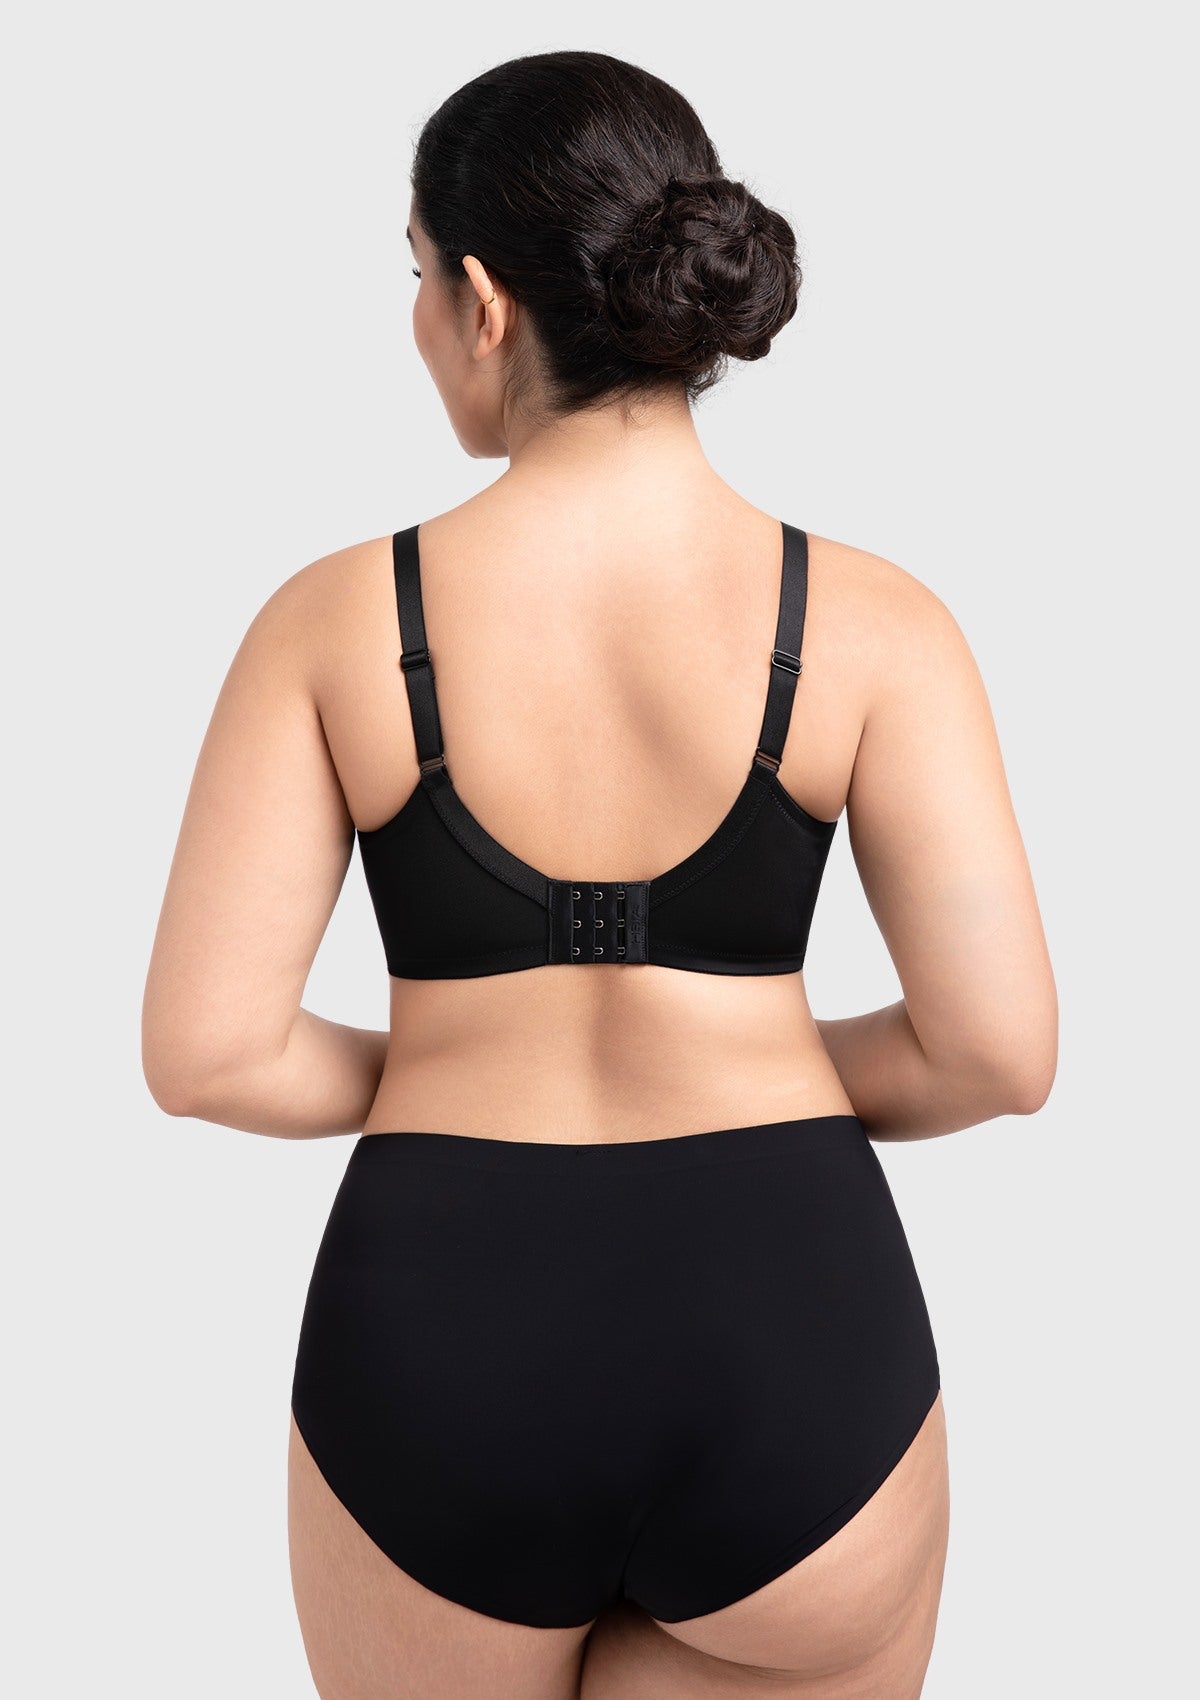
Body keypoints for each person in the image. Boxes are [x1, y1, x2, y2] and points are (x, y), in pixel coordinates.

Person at [141, 48, 1057, 1700]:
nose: (419, 322)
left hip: (442, 1334)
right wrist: (756, 1062)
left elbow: (207, 1055)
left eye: (415, 279)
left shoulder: (332, 624)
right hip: (791, 1336)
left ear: (485, 303)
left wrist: (457, 1063)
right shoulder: (878, 625)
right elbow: (996, 1054)